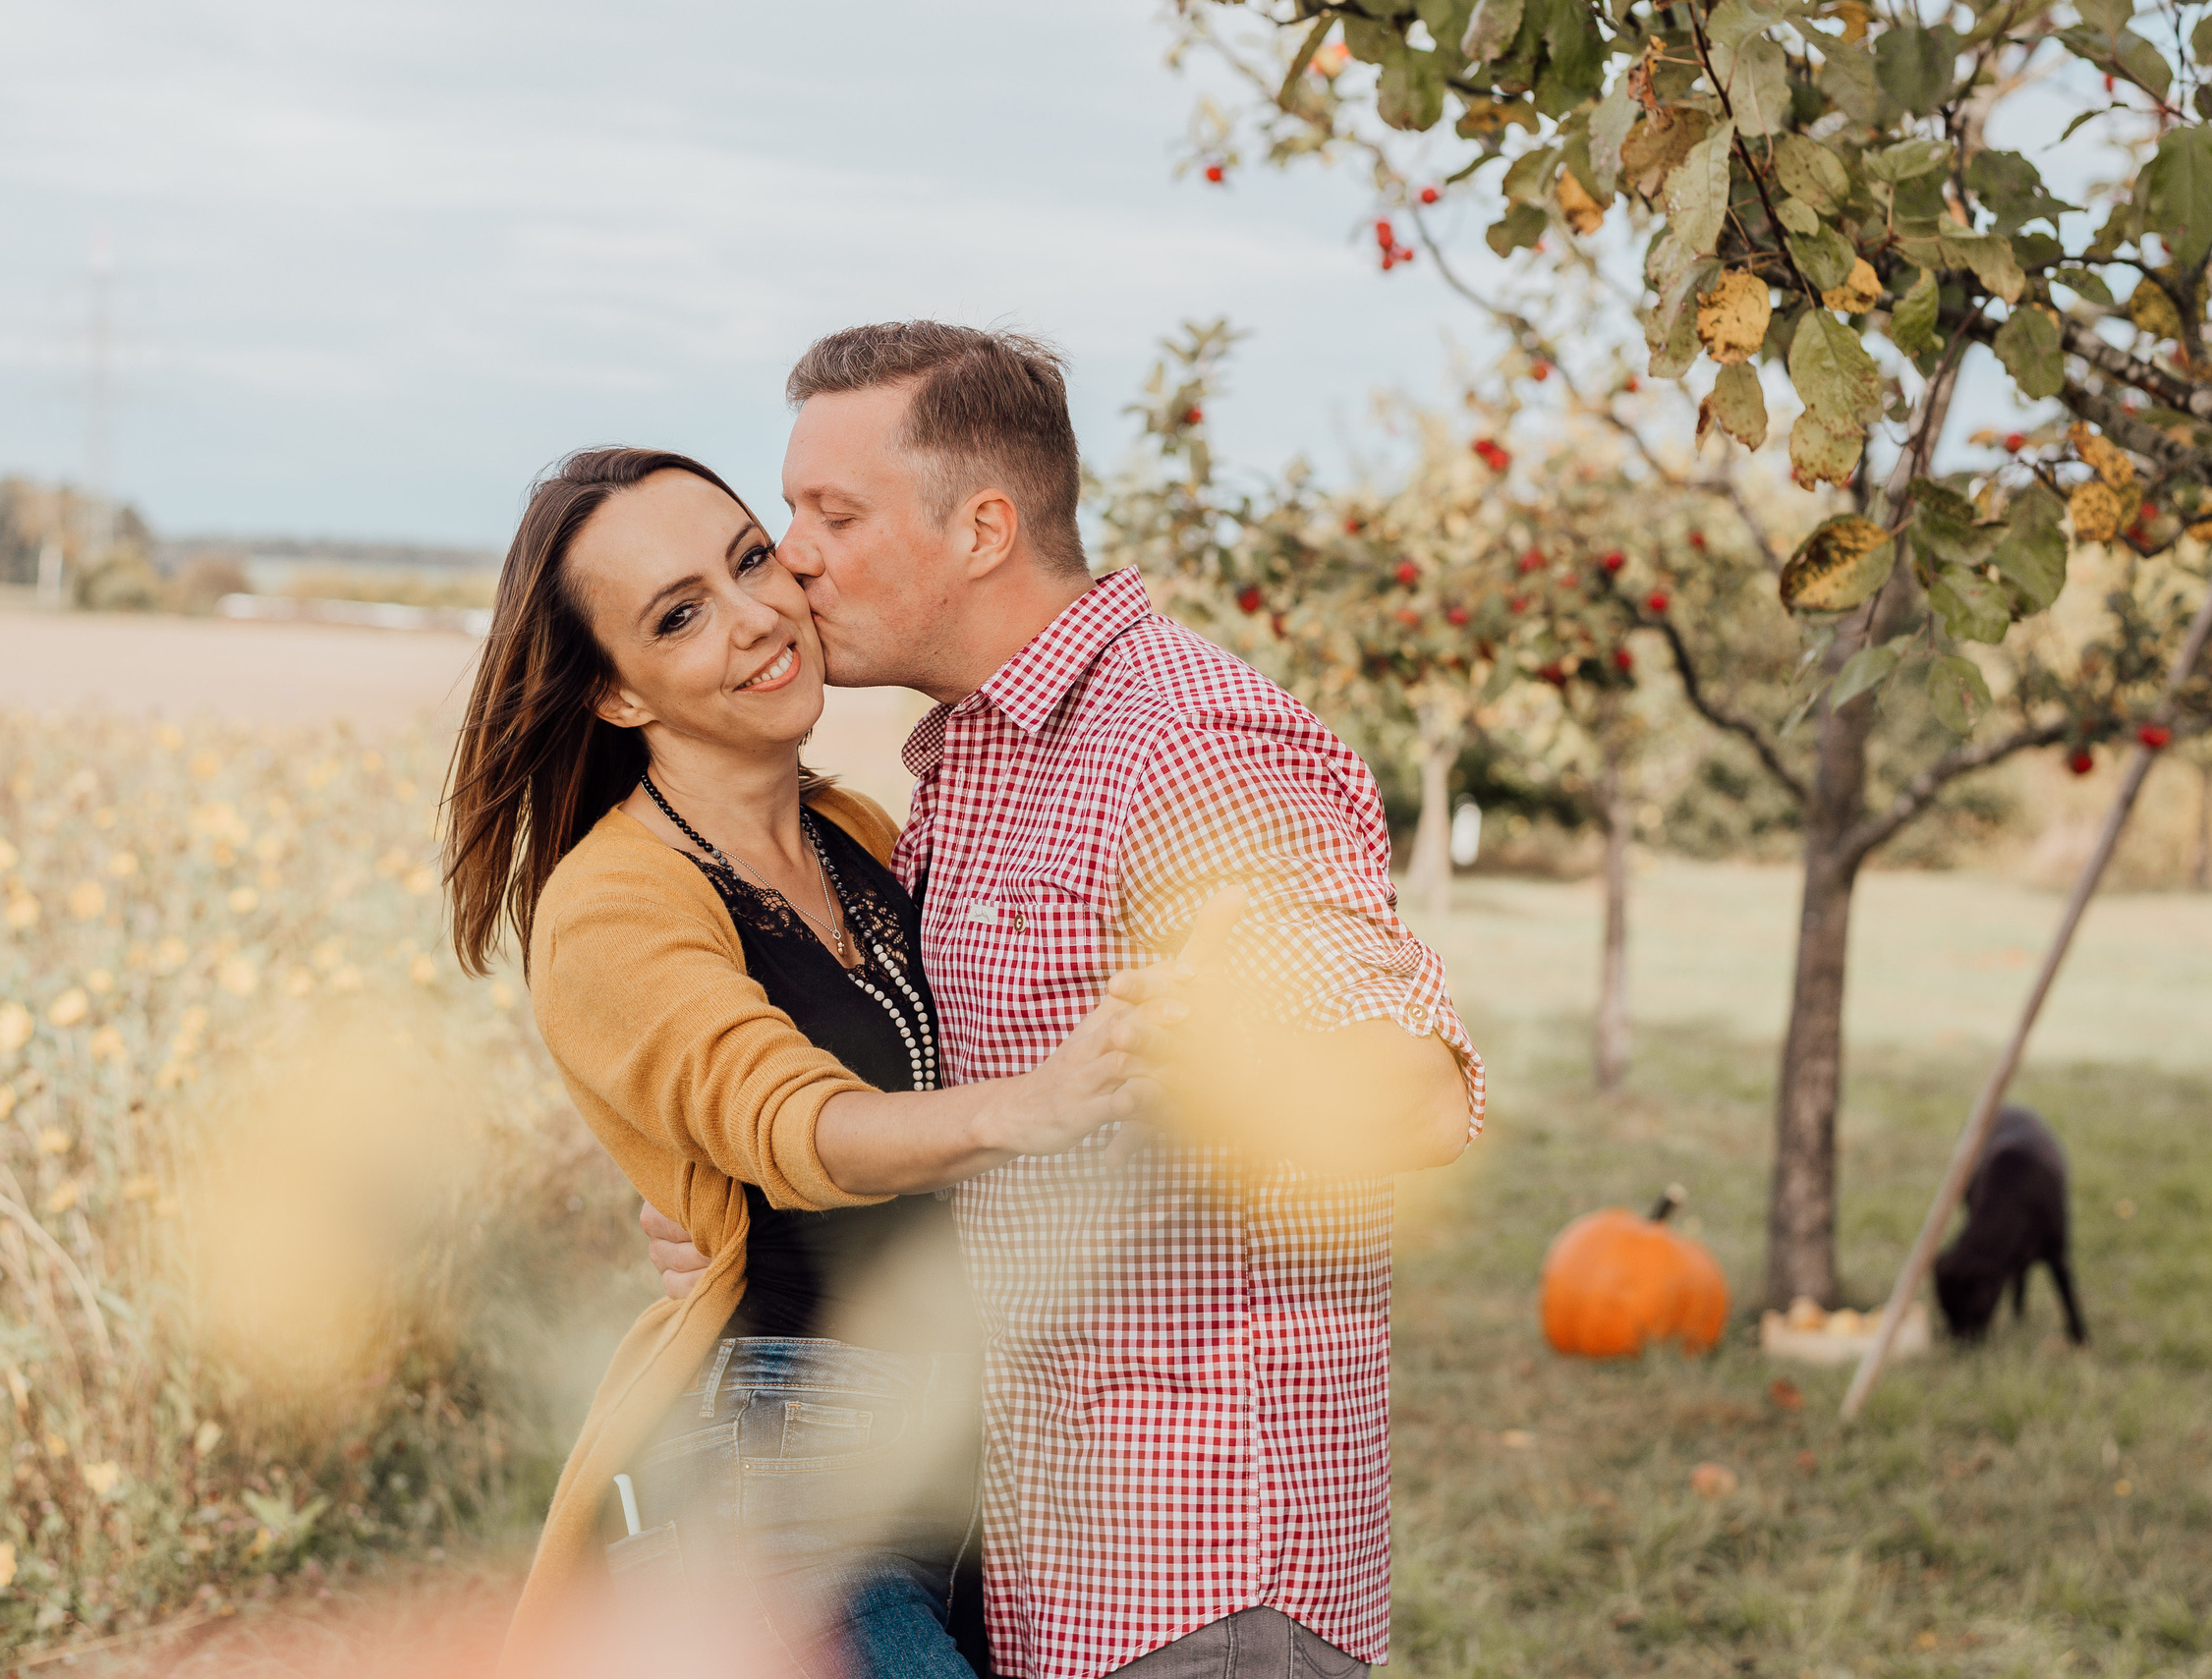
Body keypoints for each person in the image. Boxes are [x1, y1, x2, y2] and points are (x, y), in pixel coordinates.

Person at [642, 323, 1486, 1679]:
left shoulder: (1186, 742)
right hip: (1044, 1559)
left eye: (833, 513)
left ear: (984, 527)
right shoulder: (975, 769)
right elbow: (986, 1107)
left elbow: (1415, 1092)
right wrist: (755, 1220)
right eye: (791, 508)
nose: (792, 552)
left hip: (1197, 1580)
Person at [442, 446, 1172, 1678]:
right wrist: (1026, 1110)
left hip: (954, 1449)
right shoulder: (613, 901)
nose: (755, 615)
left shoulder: (856, 837)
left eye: (748, 559)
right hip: (774, 1469)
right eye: (679, 615)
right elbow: (793, 1119)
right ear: (618, 695)